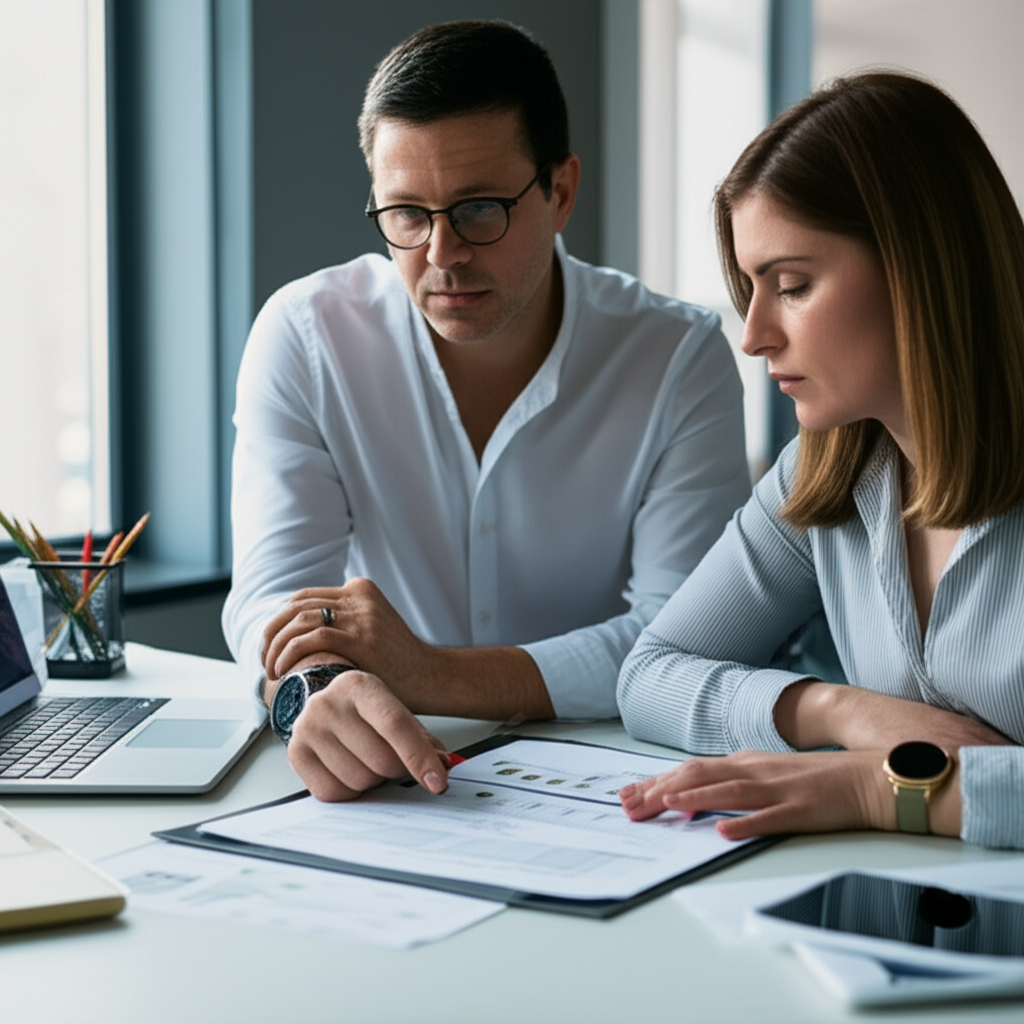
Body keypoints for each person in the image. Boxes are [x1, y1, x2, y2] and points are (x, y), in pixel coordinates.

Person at [222, 20, 750, 801]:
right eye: (406, 214)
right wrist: (317, 688)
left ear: (561, 190)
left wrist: (429, 673)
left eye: (478, 210)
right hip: (389, 782)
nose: (442, 255)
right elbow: (275, 601)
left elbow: (682, 637)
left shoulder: (678, 356)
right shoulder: (306, 335)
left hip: (617, 786)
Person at [617, 71, 1024, 850]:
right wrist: (842, 712)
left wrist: (880, 784)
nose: (755, 333)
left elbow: (884, 783)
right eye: (751, 287)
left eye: (793, 285)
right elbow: (650, 675)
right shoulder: (827, 469)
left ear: (918, 267)